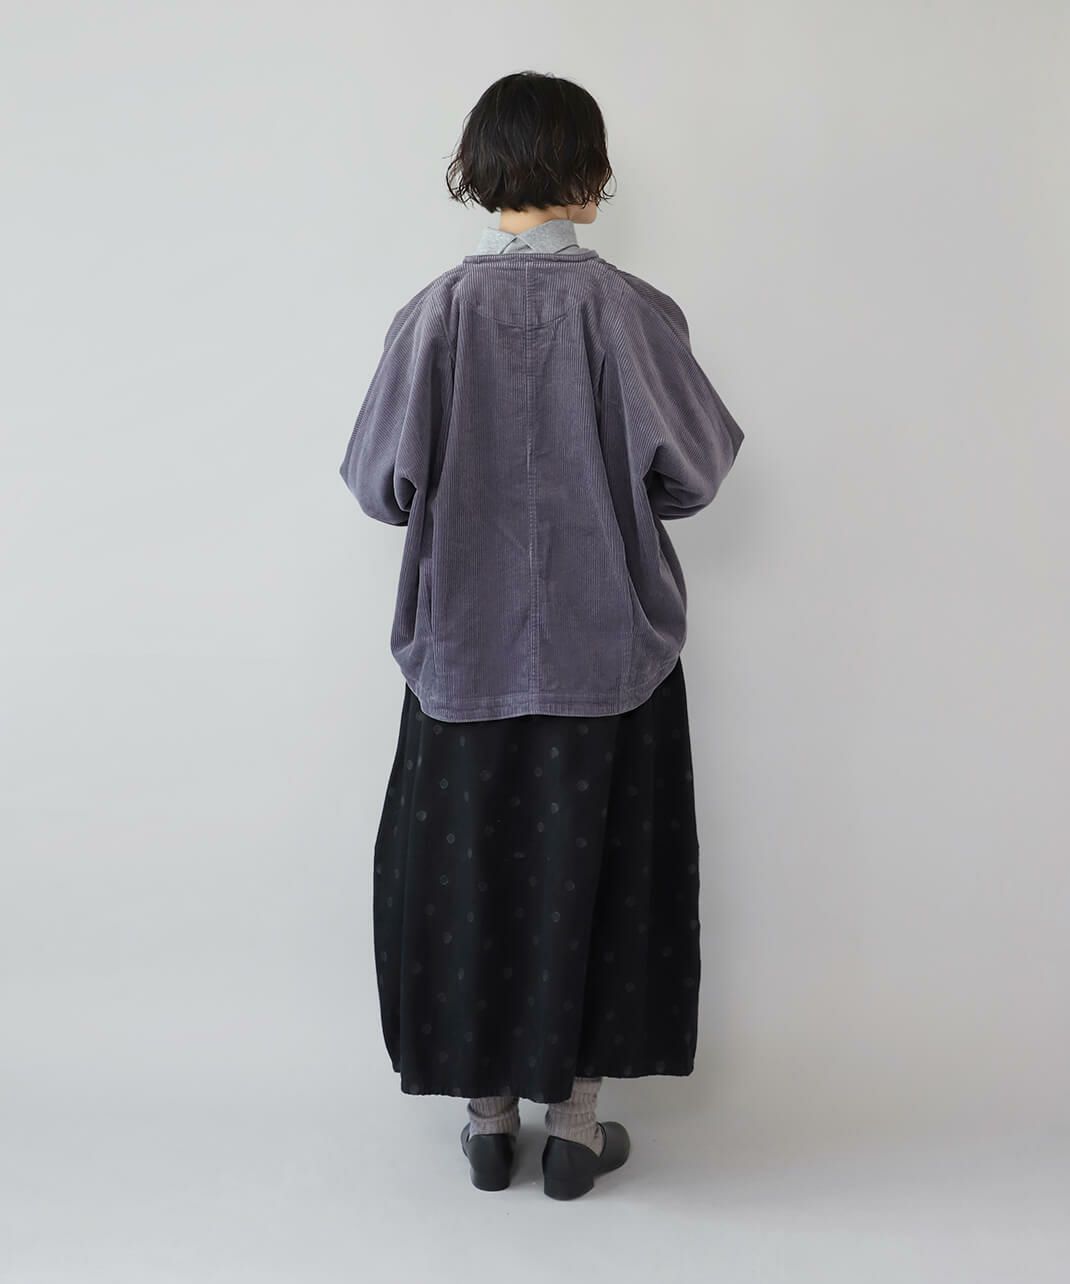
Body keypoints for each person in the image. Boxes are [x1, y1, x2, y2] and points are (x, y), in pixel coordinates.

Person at [339, 70, 744, 1199]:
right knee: (600, 880)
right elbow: (696, 473)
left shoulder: (431, 316)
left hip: (460, 661)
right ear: (586, 172)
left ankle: (486, 1125)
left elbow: (377, 486)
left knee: (466, 883)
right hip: (608, 657)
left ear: (478, 173)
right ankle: (574, 1131)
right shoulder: (631, 312)